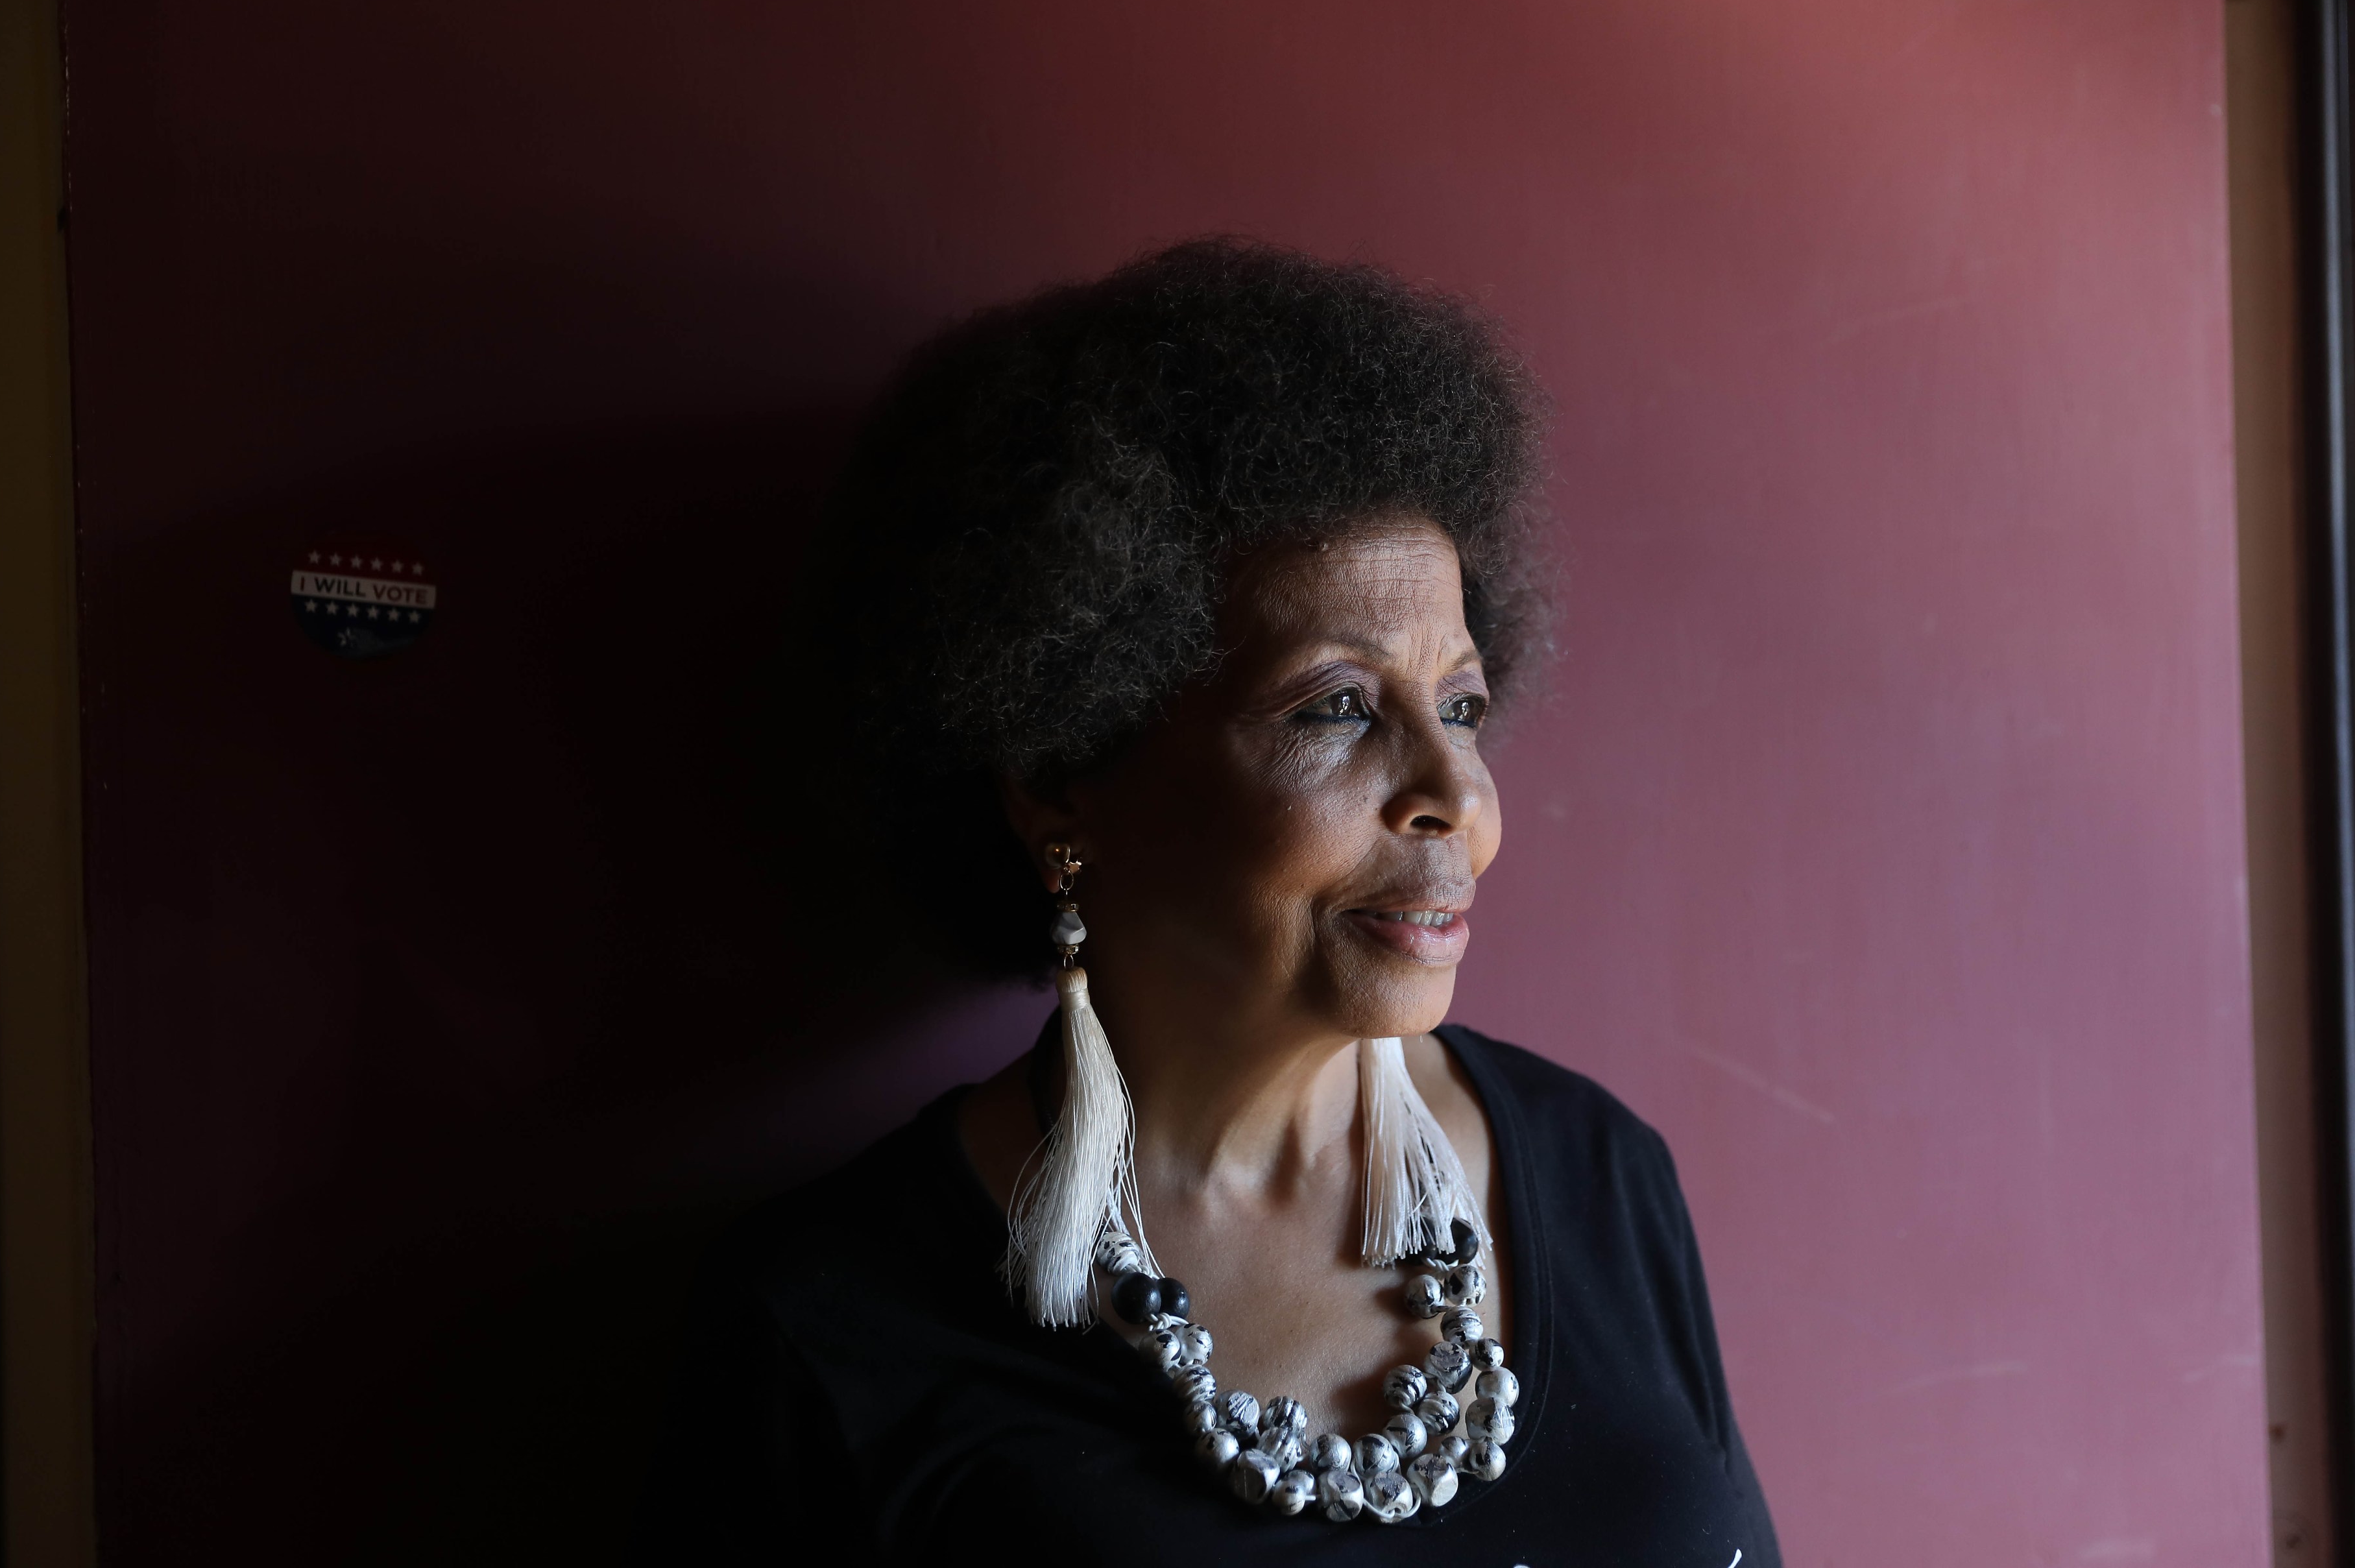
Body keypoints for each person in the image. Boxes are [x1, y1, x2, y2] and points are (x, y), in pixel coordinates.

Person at [635, 238, 1780, 1564]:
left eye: (1460, 704)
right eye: (1338, 706)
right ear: (1061, 771)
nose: (1451, 793)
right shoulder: (836, 1324)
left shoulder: (1601, 1174)